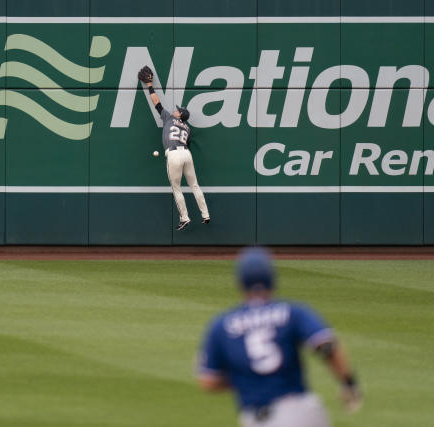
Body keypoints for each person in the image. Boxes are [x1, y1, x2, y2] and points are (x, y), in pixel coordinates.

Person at [197, 247, 363, 427]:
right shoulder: (293, 312)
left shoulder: (221, 325)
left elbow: (208, 380)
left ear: (240, 282)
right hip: (301, 413)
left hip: (256, 418)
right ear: (272, 279)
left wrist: (246, 378)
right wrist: (348, 383)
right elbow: (326, 346)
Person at [138, 65, 210, 231]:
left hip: (174, 155)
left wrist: (149, 85)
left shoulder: (169, 118)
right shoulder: (187, 128)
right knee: (195, 186)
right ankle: (205, 214)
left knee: (177, 188)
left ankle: (184, 217)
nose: (175, 111)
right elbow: (188, 143)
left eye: (178, 111)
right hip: (186, 153)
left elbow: (156, 102)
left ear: (179, 115)